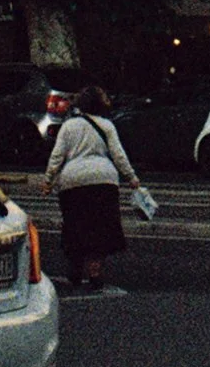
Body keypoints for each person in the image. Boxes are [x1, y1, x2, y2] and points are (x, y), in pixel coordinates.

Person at [44, 84, 139, 290]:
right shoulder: (107, 126)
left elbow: (57, 156)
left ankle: (75, 267)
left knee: (74, 225)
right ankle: (95, 271)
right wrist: (131, 178)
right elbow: (118, 155)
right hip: (104, 181)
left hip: (73, 181)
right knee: (100, 228)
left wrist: (48, 180)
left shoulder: (69, 126)